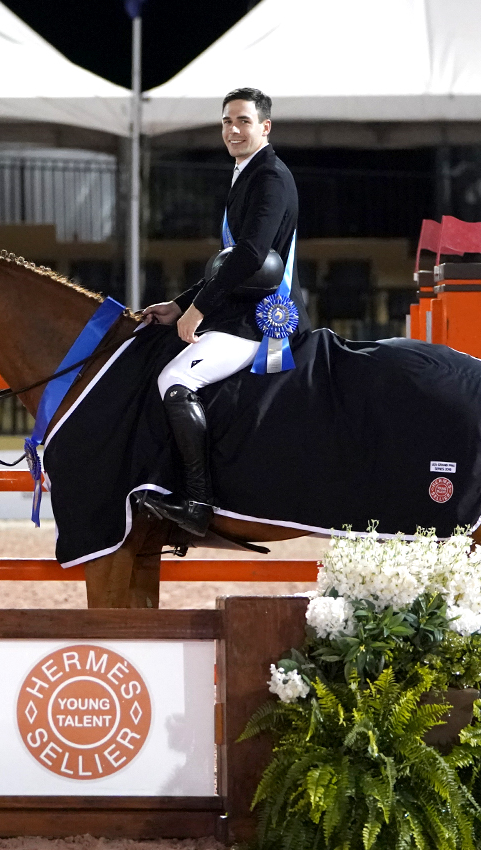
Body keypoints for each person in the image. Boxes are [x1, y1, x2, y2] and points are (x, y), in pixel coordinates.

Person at [140, 87, 303, 537]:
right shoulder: (245, 172)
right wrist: (178, 304)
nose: (233, 129)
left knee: (176, 378)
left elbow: (251, 255)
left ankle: (197, 502)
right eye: (227, 121)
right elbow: (227, 260)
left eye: (244, 121)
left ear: (264, 127)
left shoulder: (268, 175)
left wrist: (197, 310)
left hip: (258, 316)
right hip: (238, 305)